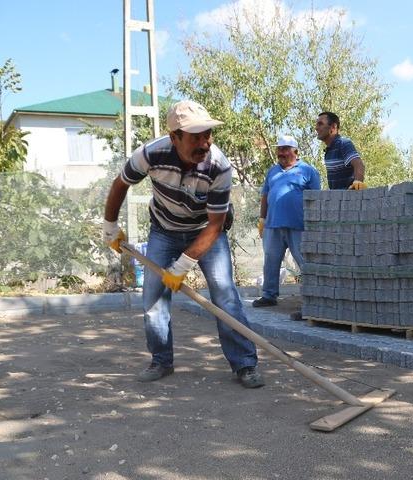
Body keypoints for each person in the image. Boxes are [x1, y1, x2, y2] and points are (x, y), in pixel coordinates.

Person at [102, 100, 264, 387]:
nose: (204, 143)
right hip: (163, 230)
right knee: (153, 296)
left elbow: (215, 225)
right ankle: (161, 360)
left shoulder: (219, 166)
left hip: (205, 231)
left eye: (208, 135)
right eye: (196, 136)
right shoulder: (151, 154)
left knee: (225, 295)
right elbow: (120, 184)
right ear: (175, 137)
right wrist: (110, 227)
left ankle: (245, 364)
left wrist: (182, 265)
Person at [252, 135, 321, 309]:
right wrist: (262, 218)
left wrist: (315, 224)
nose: (280, 152)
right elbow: (265, 195)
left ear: (295, 152)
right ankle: (269, 295)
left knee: (305, 261)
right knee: (271, 261)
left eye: (285, 149)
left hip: (299, 225)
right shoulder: (272, 171)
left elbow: (317, 199)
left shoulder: (308, 171)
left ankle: (314, 296)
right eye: (279, 149)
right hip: (273, 225)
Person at [315, 111, 366, 190]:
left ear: (333, 127)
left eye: (320, 124)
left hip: (349, 199)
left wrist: (357, 183)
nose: (316, 128)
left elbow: (359, 164)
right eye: (317, 124)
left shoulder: (343, 144)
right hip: (337, 199)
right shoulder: (328, 151)